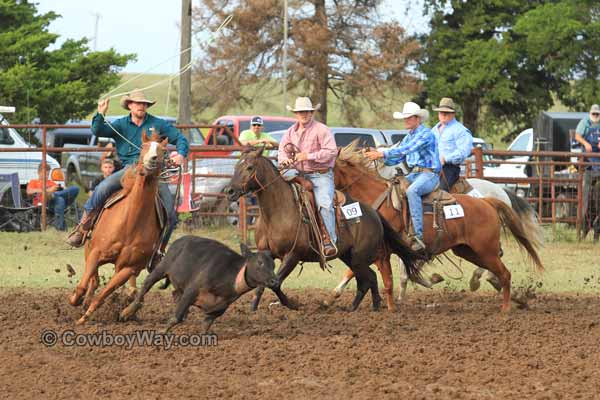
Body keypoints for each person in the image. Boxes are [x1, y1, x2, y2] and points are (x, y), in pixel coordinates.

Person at [66, 89, 189, 259]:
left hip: (154, 173)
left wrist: (181, 154)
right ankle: (83, 227)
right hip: (129, 169)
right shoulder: (120, 124)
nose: (141, 107)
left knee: (171, 215)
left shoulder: (158, 124)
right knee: (102, 188)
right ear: (130, 105)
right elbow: (98, 131)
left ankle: (158, 251)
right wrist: (100, 113)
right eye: (138, 103)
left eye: (144, 104)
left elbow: (180, 139)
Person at [364, 102, 441, 252]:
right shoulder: (409, 137)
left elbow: (407, 149)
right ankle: (399, 227)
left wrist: (382, 152)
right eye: (405, 118)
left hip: (429, 174)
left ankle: (417, 235)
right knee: (392, 188)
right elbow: (397, 159)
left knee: (412, 191)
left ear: (418, 119)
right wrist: (378, 157)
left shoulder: (426, 134)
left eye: (409, 118)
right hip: (415, 174)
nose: (406, 121)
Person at [278, 97, 338, 257]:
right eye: (300, 112)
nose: (303, 114)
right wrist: (285, 161)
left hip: (320, 175)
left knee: (325, 204)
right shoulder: (290, 133)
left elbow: (332, 151)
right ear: (296, 114)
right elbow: (282, 152)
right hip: (297, 174)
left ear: (311, 113)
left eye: (306, 112)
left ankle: (329, 240)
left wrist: (309, 156)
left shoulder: (322, 129)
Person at [431, 97, 473, 191]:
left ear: (453, 114)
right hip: (431, 167)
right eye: (441, 112)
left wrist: (445, 159)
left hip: (449, 169)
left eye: (447, 112)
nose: (443, 115)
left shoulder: (460, 130)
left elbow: (464, 152)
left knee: (440, 193)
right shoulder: (434, 130)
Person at [27, 162, 80, 231]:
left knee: (75, 189)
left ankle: (54, 195)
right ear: (39, 173)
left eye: (48, 174)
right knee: (60, 199)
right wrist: (48, 190)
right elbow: (29, 191)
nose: (46, 176)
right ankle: (60, 229)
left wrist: (59, 190)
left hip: (55, 203)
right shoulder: (33, 182)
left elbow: (64, 192)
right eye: (44, 174)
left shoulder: (51, 183)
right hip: (44, 205)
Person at [574, 104, 600, 170]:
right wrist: (586, 144)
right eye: (593, 113)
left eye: (597, 114)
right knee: (588, 165)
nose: (595, 115)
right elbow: (577, 136)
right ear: (590, 113)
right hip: (588, 150)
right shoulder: (584, 122)